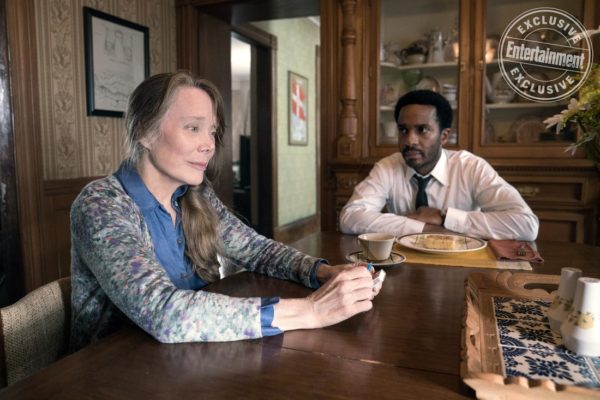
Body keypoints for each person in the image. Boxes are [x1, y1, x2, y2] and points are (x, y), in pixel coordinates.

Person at [70, 71, 381, 352]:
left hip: (186, 358)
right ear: (144, 132)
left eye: (212, 132)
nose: (209, 144)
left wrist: (323, 273)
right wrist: (311, 310)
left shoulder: (195, 195)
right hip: (113, 372)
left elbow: (257, 250)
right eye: (193, 128)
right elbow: (164, 313)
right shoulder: (102, 204)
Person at [339, 90, 539, 241]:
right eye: (403, 130)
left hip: (462, 267)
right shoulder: (387, 167)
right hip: (404, 264)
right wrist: (425, 229)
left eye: (422, 130)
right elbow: (350, 218)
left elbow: (526, 224)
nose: (410, 140)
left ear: (444, 136)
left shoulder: (471, 167)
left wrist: (444, 217)